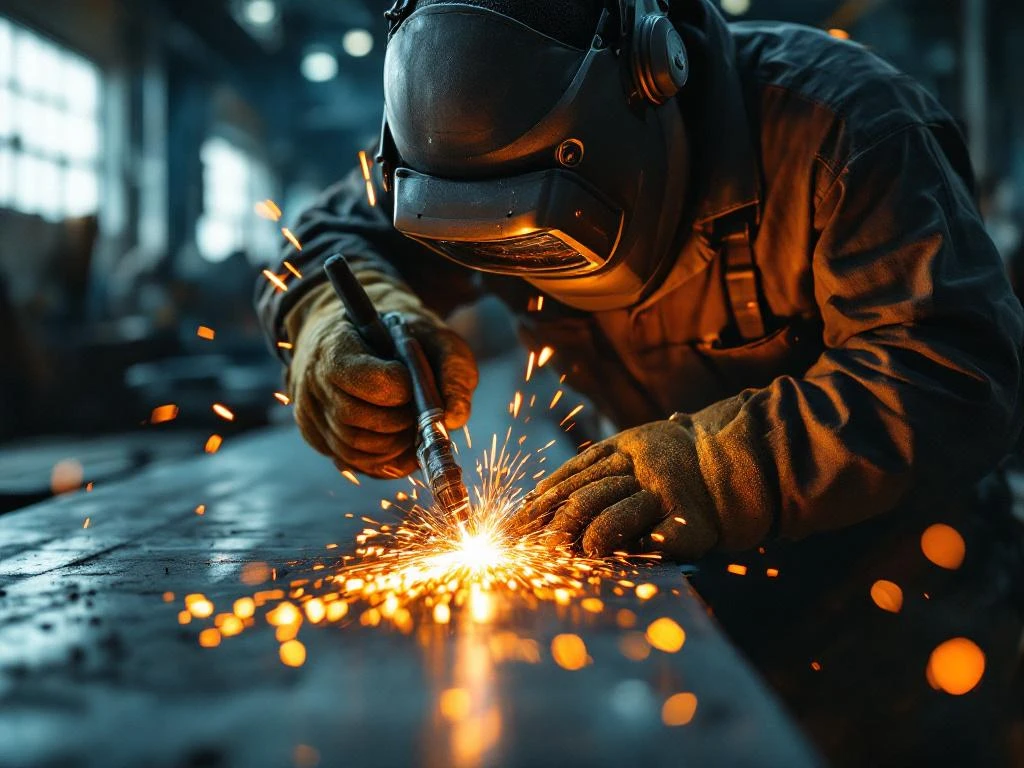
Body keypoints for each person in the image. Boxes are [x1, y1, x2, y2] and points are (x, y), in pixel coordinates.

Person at [257, 1, 1024, 762]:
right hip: (689, 581)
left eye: (544, 234)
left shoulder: (843, 126)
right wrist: (332, 325)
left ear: (655, 78)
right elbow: (322, 241)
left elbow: (951, 374)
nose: (527, 269)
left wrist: (718, 469)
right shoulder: (453, 145)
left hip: (898, 597)